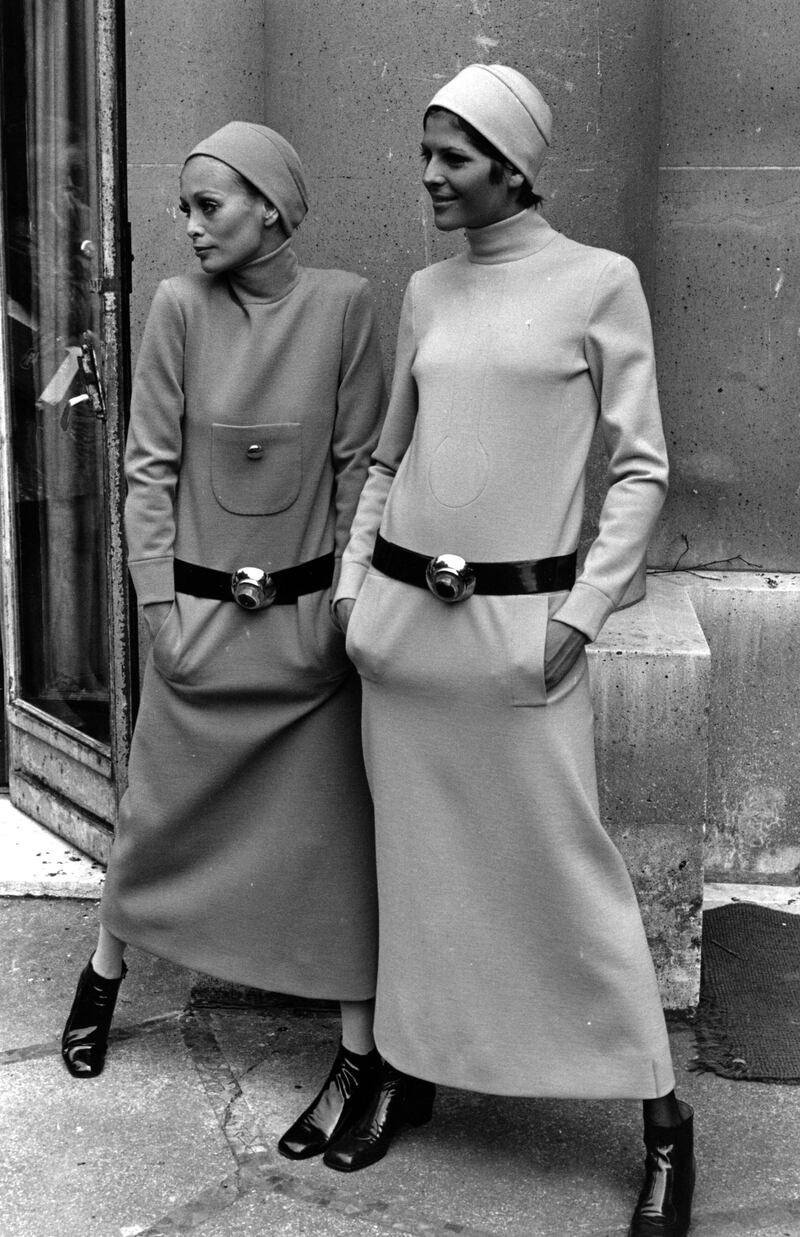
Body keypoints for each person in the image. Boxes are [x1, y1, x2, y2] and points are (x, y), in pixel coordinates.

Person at [328, 65, 695, 1237]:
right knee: (417, 873)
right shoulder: (428, 293)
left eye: (454, 154)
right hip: (403, 640)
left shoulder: (599, 283)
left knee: (565, 873)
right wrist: (350, 595)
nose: (429, 175)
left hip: (522, 642)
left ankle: (661, 1117)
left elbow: (639, 467)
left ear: (513, 164)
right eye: (425, 150)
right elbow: (385, 462)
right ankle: (407, 1063)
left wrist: (579, 617)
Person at [61, 121, 389, 1162]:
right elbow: (145, 470)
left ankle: (357, 1053)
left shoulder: (343, 306)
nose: (189, 225)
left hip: (304, 643)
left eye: (209, 205)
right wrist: (163, 617)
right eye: (185, 206)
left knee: (330, 849)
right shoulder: (176, 308)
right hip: (197, 634)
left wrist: (336, 617)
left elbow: (357, 474)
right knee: (156, 817)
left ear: (272, 210)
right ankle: (103, 974)